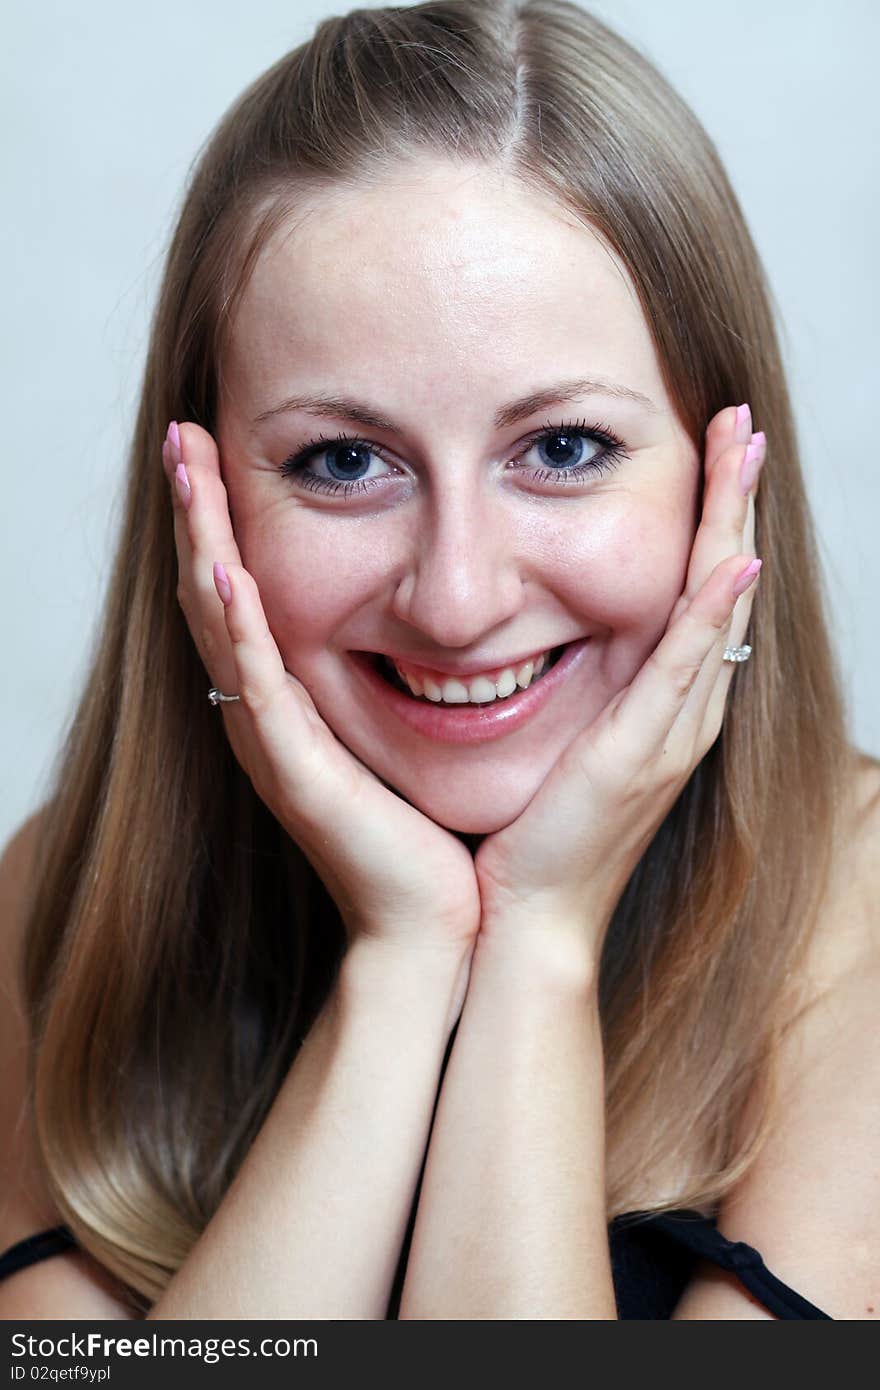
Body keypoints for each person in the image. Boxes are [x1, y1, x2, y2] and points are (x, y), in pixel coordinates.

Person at [1, 0, 877, 1321]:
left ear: (723, 473)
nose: (458, 598)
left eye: (565, 448)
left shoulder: (863, 931)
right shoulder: (55, 906)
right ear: (205, 501)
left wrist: (536, 941)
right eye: (342, 461)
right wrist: (406, 956)